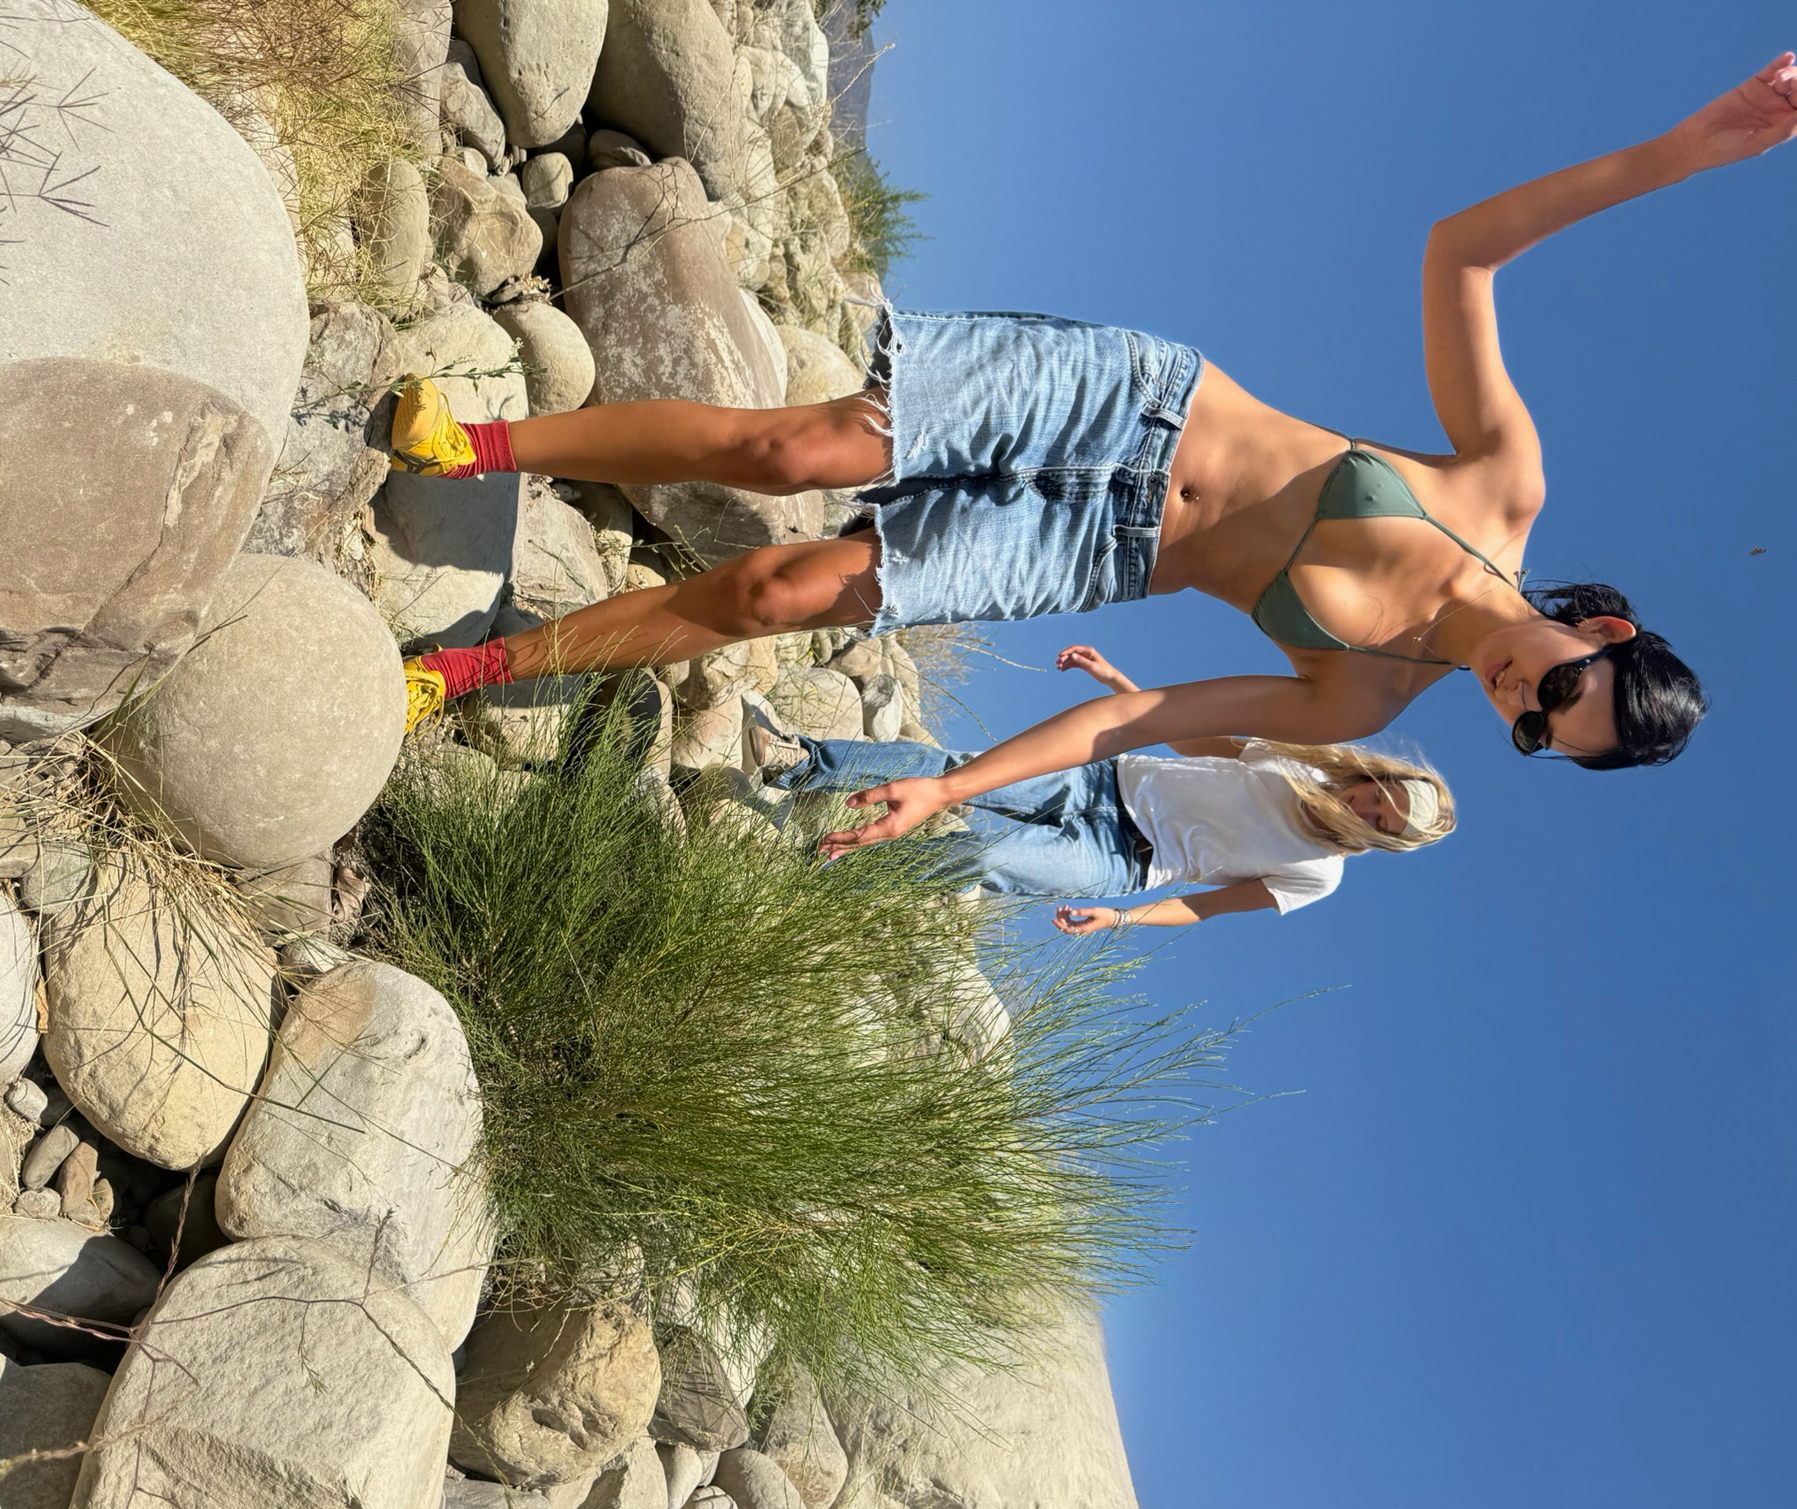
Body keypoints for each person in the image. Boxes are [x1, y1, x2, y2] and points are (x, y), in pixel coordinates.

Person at [390, 53, 1797, 804]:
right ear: (1601, 631)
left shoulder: (1362, 702)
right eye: (1560, 689)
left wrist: (953, 790)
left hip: (1100, 550)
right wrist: (1683, 154)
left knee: (779, 591)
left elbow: (1135, 716)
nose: (1520, 705)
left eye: (1538, 740)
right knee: (795, 453)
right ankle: (483, 447)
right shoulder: (1501, 489)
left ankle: (465, 672)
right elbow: (1460, 254)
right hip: (1133, 404)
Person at [743, 645, 1454, 934]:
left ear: (1381, 840)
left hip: (1124, 861)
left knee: (988, 859)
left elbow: (1206, 905)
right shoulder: (1302, 764)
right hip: (1102, 777)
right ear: (1376, 777)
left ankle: (832, 870)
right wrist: (1117, 682)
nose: (1366, 807)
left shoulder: (1319, 874)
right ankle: (800, 761)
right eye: (1379, 794)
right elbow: (1194, 738)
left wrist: (1121, 919)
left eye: (1381, 820)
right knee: (955, 767)